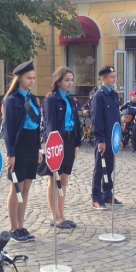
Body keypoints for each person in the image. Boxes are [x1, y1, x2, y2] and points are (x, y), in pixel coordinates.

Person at [3, 60, 42, 242]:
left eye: (33, 78)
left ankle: (21, 225)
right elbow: (9, 130)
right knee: (16, 187)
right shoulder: (12, 100)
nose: (31, 81)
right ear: (19, 79)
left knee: (26, 188)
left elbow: (37, 126)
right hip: (18, 147)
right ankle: (13, 228)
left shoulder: (32, 99)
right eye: (28, 78)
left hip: (32, 146)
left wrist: (39, 149)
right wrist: (11, 153)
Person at [42, 67, 82, 229]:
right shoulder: (52, 99)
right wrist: (50, 145)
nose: (70, 83)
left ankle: (61, 214)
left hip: (70, 139)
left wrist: (78, 143)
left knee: (64, 179)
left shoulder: (70, 99)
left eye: (72, 80)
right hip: (57, 141)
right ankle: (55, 216)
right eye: (67, 80)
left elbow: (77, 122)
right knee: (54, 178)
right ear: (58, 81)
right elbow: (49, 124)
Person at [91, 65, 122, 210]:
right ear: (103, 79)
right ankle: (96, 197)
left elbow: (116, 118)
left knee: (109, 166)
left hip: (113, 137)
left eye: (115, 76)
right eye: (111, 77)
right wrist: (101, 140)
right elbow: (97, 120)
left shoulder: (114, 95)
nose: (114, 79)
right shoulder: (99, 96)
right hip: (103, 139)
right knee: (100, 168)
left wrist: (119, 138)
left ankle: (107, 194)